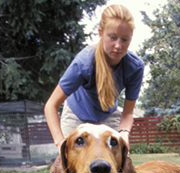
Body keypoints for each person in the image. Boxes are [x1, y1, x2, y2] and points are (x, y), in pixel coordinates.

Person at [44, 4, 144, 150]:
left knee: (121, 164)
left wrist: (124, 133)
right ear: (101, 33)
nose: (118, 45)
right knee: (69, 170)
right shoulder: (84, 62)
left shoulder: (134, 67)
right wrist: (60, 143)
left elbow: (128, 113)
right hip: (77, 115)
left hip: (108, 115)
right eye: (113, 37)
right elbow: (51, 106)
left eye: (124, 40)